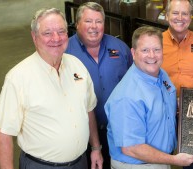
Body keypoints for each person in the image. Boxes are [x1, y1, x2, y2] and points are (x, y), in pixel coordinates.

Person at [0, 8, 103, 169]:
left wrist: (96, 148)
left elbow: (88, 110)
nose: (56, 38)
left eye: (61, 31)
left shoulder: (77, 65)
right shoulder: (18, 78)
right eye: (48, 33)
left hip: (81, 162)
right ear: (34, 37)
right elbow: (4, 134)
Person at [105, 26, 193, 169]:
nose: (152, 55)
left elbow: (166, 104)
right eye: (145, 50)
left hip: (160, 160)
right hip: (138, 165)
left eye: (156, 49)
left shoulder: (161, 74)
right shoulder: (127, 97)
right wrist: (175, 160)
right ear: (133, 53)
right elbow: (131, 148)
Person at [65, 2, 133, 168]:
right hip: (80, 133)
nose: (94, 27)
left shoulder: (120, 48)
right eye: (88, 21)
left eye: (99, 21)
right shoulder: (65, 51)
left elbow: (135, 83)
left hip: (118, 130)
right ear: (77, 23)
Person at [162, 1, 193, 168]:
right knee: (161, 154)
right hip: (162, 111)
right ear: (167, 15)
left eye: (185, 13)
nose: (180, 18)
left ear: (191, 17)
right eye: (175, 13)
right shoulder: (156, 42)